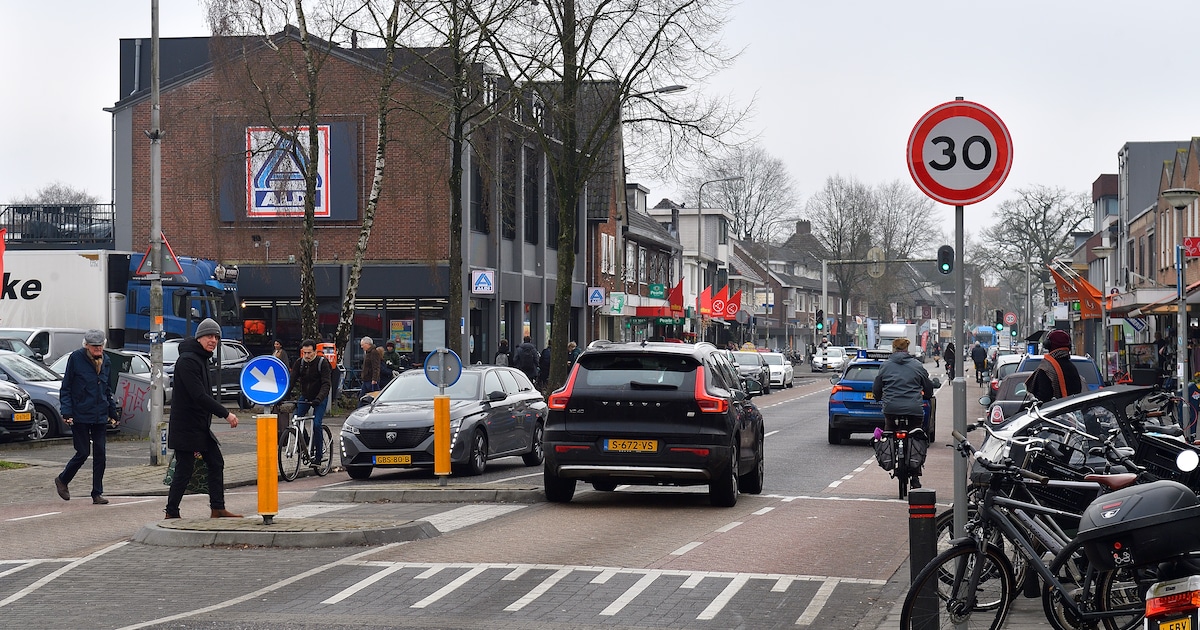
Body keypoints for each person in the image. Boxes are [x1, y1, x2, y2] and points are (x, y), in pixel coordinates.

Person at [164, 318, 242, 519]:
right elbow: (198, 395)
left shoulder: (202, 358)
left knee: (216, 462)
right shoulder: (188, 361)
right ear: (199, 337)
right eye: (209, 336)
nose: (213, 340)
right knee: (184, 469)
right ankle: (171, 512)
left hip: (199, 426)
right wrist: (226, 413)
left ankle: (217, 508)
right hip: (186, 426)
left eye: (216, 337)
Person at [54, 329, 121, 505]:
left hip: (100, 414)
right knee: (83, 452)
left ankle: (97, 493)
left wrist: (112, 412)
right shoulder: (76, 359)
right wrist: (66, 411)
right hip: (80, 414)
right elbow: (66, 387)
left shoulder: (105, 360)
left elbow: (107, 389)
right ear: (87, 346)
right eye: (94, 346)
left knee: (101, 454)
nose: (98, 349)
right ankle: (63, 479)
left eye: (100, 345)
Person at [872, 337, 936, 489]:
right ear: (907, 349)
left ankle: (890, 456)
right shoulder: (917, 365)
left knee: (888, 433)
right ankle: (915, 476)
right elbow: (927, 386)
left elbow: (877, 386)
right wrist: (927, 395)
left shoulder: (885, 366)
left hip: (891, 409)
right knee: (916, 436)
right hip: (913, 409)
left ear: (893, 349)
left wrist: (878, 397)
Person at [291, 339, 332, 468]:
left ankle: (318, 456)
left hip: (320, 397)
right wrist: (282, 397)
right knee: (295, 419)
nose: (307, 356)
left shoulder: (322, 363)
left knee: (317, 424)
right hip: (306, 396)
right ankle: (307, 442)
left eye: (309, 353)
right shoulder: (300, 363)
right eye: (304, 353)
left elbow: (326, 384)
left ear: (315, 351)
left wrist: (319, 399)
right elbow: (291, 381)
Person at [1026, 329, 1084, 403]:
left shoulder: (1046, 369)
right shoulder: (1072, 368)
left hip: (1050, 412)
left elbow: (1042, 398)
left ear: (1048, 345)